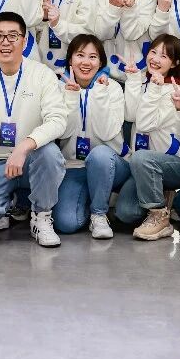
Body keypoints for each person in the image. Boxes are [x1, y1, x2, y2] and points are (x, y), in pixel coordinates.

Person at [0, 12, 68, 247]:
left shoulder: (42, 74)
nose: (5, 42)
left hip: (32, 158)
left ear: (24, 40)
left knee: (50, 154)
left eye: (12, 36)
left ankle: (41, 215)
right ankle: (10, 204)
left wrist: (24, 146)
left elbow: (58, 120)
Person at [115, 34, 180, 240]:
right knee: (126, 213)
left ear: (175, 63)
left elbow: (145, 124)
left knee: (141, 157)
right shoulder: (146, 82)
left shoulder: (174, 90)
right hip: (144, 167)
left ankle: (159, 217)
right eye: (153, 52)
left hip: (177, 162)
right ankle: (163, 195)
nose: (156, 59)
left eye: (164, 56)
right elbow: (130, 115)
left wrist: (154, 88)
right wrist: (134, 80)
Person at [51, 34, 127, 238]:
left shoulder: (112, 88)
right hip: (74, 166)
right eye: (80, 55)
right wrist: (70, 97)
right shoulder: (59, 88)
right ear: (70, 59)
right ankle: (92, 198)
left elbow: (107, 133)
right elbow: (62, 133)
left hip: (109, 163)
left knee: (99, 154)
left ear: (100, 62)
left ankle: (99, 214)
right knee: (65, 223)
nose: (86, 62)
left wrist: (100, 93)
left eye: (93, 57)